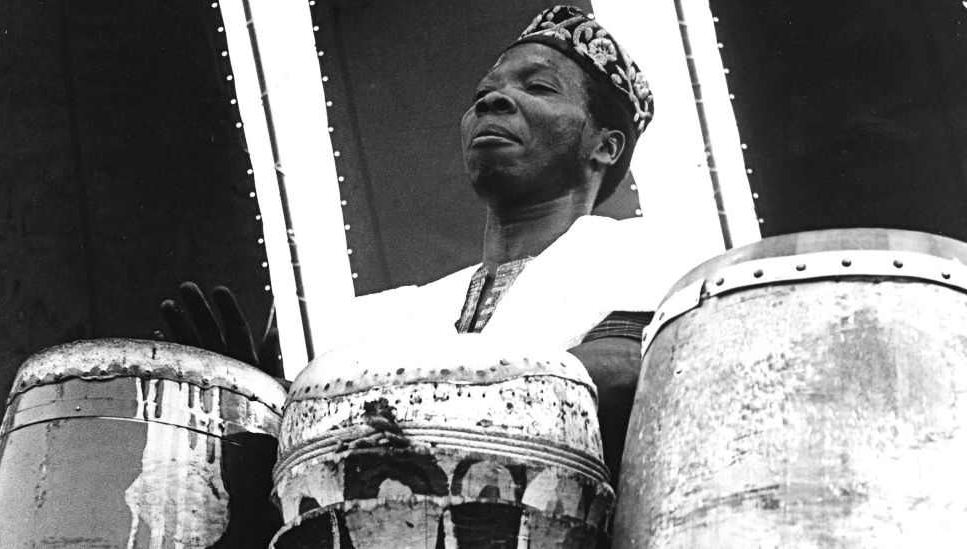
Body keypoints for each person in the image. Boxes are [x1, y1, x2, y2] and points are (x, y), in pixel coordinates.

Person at [162, 6, 682, 486]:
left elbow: (613, 379)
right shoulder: (398, 315)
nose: (493, 100)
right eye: (483, 93)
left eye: (540, 87)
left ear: (605, 146)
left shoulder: (635, 249)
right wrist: (258, 403)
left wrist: (352, 415)